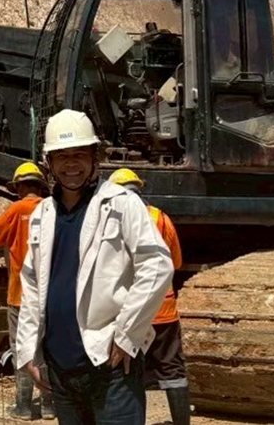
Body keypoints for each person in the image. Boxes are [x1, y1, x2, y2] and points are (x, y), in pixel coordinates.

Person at [14, 110, 173, 425]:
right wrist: (27, 348)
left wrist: (127, 334)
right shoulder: (41, 215)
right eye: (62, 156)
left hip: (111, 366)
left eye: (79, 155)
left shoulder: (122, 204)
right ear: (49, 163)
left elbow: (157, 265)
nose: (71, 164)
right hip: (61, 370)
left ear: (94, 158)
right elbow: (32, 285)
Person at [107, 169, 189, 425]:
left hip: (128, 312)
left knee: (130, 371)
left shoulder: (109, 219)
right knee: (172, 368)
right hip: (163, 310)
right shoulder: (160, 218)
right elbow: (174, 262)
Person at [0, 162, 53, 420]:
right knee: (46, 348)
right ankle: (49, 404)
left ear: (20, 186)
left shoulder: (17, 209)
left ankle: (23, 406)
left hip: (19, 294)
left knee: (21, 348)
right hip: (48, 295)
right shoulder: (52, 209)